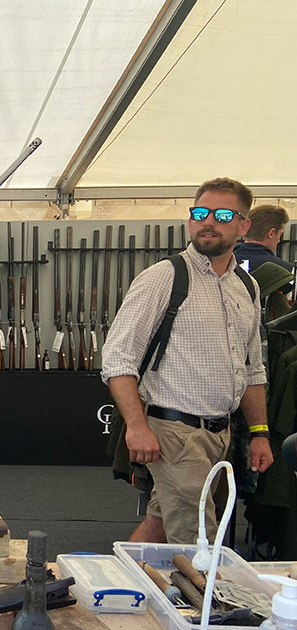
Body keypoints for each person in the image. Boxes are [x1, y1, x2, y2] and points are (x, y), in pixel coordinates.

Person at [102, 177, 273, 544]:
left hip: (221, 435)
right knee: (200, 539)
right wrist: (136, 425)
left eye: (222, 214)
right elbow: (117, 358)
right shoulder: (164, 277)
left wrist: (259, 434)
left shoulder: (247, 286)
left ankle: (114, 592)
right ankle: (200, 601)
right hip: (173, 433)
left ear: (244, 225)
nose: (208, 221)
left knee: (159, 526)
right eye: (200, 212)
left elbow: (252, 369)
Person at [233, 205, 293, 272]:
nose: (278, 241)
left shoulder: (224, 265)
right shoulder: (287, 271)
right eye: (280, 235)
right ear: (271, 233)